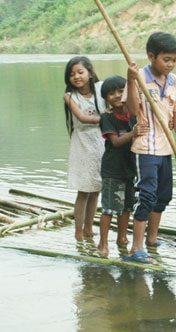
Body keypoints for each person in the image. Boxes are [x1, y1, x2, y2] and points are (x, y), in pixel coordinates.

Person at [123, 32, 176, 264]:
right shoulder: (140, 76)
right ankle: (136, 248)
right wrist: (131, 81)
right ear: (151, 56)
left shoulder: (175, 82)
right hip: (146, 148)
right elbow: (132, 109)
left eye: (174, 60)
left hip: (166, 148)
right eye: (166, 59)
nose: (170, 64)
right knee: (147, 196)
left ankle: (152, 240)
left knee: (163, 196)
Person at [97, 75, 148, 257]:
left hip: (130, 169)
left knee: (126, 206)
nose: (117, 96)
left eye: (121, 91)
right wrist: (133, 133)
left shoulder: (133, 115)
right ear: (106, 99)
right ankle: (102, 244)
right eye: (111, 94)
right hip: (113, 170)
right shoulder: (108, 118)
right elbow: (116, 142)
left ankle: (122, 238)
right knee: (110, 208)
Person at [63, 56, 105, 241]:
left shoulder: (100, 89)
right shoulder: (70, 96)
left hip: (101, 142)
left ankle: (89, 228)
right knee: (83, 189)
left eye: (80, 72)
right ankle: (78, 231)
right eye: (72, 74)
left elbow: (121, 94)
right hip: (82, 144)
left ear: (91, 73)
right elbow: (81, 117)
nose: (76, 77)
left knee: (96, 188)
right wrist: (105, 119)